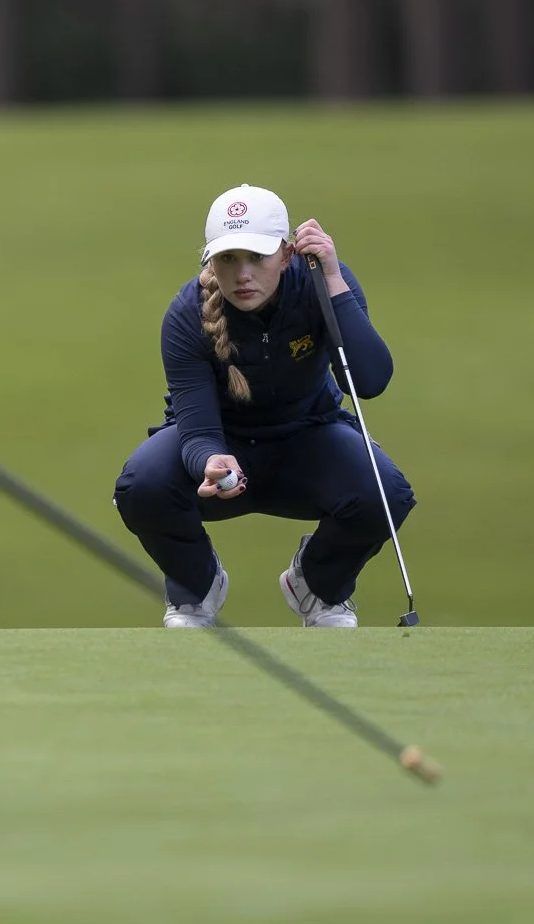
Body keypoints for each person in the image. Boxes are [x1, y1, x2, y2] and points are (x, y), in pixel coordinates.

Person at [112, 184, 414, 629]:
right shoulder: (187, 314)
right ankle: (196, 589)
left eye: (257, 257)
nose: (242, 274)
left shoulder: (323, 284)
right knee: (141, 486)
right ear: (210, 260)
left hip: (309, 440)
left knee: (385, 493)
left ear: (287, 254)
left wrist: (333, 281)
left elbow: (370, 381)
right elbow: (195, 427)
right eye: (228, 258)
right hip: (224, 447)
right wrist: (209, 461)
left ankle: (317, 586)